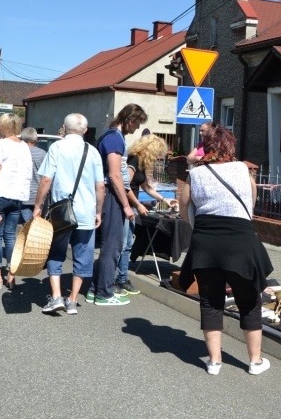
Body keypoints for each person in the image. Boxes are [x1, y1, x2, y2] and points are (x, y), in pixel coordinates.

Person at [179, 124, 273, 376]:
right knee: (249, 300)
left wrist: (200, 224)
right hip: (240, 242)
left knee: (210, 301)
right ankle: (254, 362)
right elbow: (251, 202)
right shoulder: (243, 169)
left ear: (206, 148)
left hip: (206, 243)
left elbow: (184, 208)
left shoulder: (195, 174)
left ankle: (214, 362)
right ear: (230, 147)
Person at [34, 113, 104, 314]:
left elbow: (46, 180)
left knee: (56, 252)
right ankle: (72, 300)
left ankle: (56, 297)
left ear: (64, 128)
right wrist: (98, 211)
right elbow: (100, 186)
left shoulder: (57, 147)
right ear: (85, 130)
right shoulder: (92, 152)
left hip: (61, 213)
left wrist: (38, 206)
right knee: (83, 255)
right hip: (86, 212)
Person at [86, 103, 147, 306]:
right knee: (112, 246)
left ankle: (97, 288)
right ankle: (104, 293)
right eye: (137, 123)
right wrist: (126, 205)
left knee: (111, 246)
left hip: (111, 195)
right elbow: (114, 175)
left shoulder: (112, 136)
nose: (137, 128)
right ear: (130, 120)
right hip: (112, 196)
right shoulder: (113, 139)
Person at [117, 134, 178, 296]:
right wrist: (137, 205)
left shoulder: (141, 163)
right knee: (124, 244)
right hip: (126, 208)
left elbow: (147, 188)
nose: (158, 157)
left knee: (127, 244)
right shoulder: (133, 160)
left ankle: (121, 277)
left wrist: (165, 199)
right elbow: (125, 186)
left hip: (132, 207)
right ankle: (121, 279)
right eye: (158, 153)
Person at [0, 113, 31, 290]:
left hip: (1, 193)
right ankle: (11, 273)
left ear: (4, 127)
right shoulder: (24, 146)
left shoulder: (1, 144)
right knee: (10, 236)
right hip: (18, 195)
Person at [20, 127, 46, 225]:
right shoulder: (42, 153)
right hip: (39, 195)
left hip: (23, 195)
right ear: (35, 139)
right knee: (36, 227)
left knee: (27, 226)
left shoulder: (19, 152)